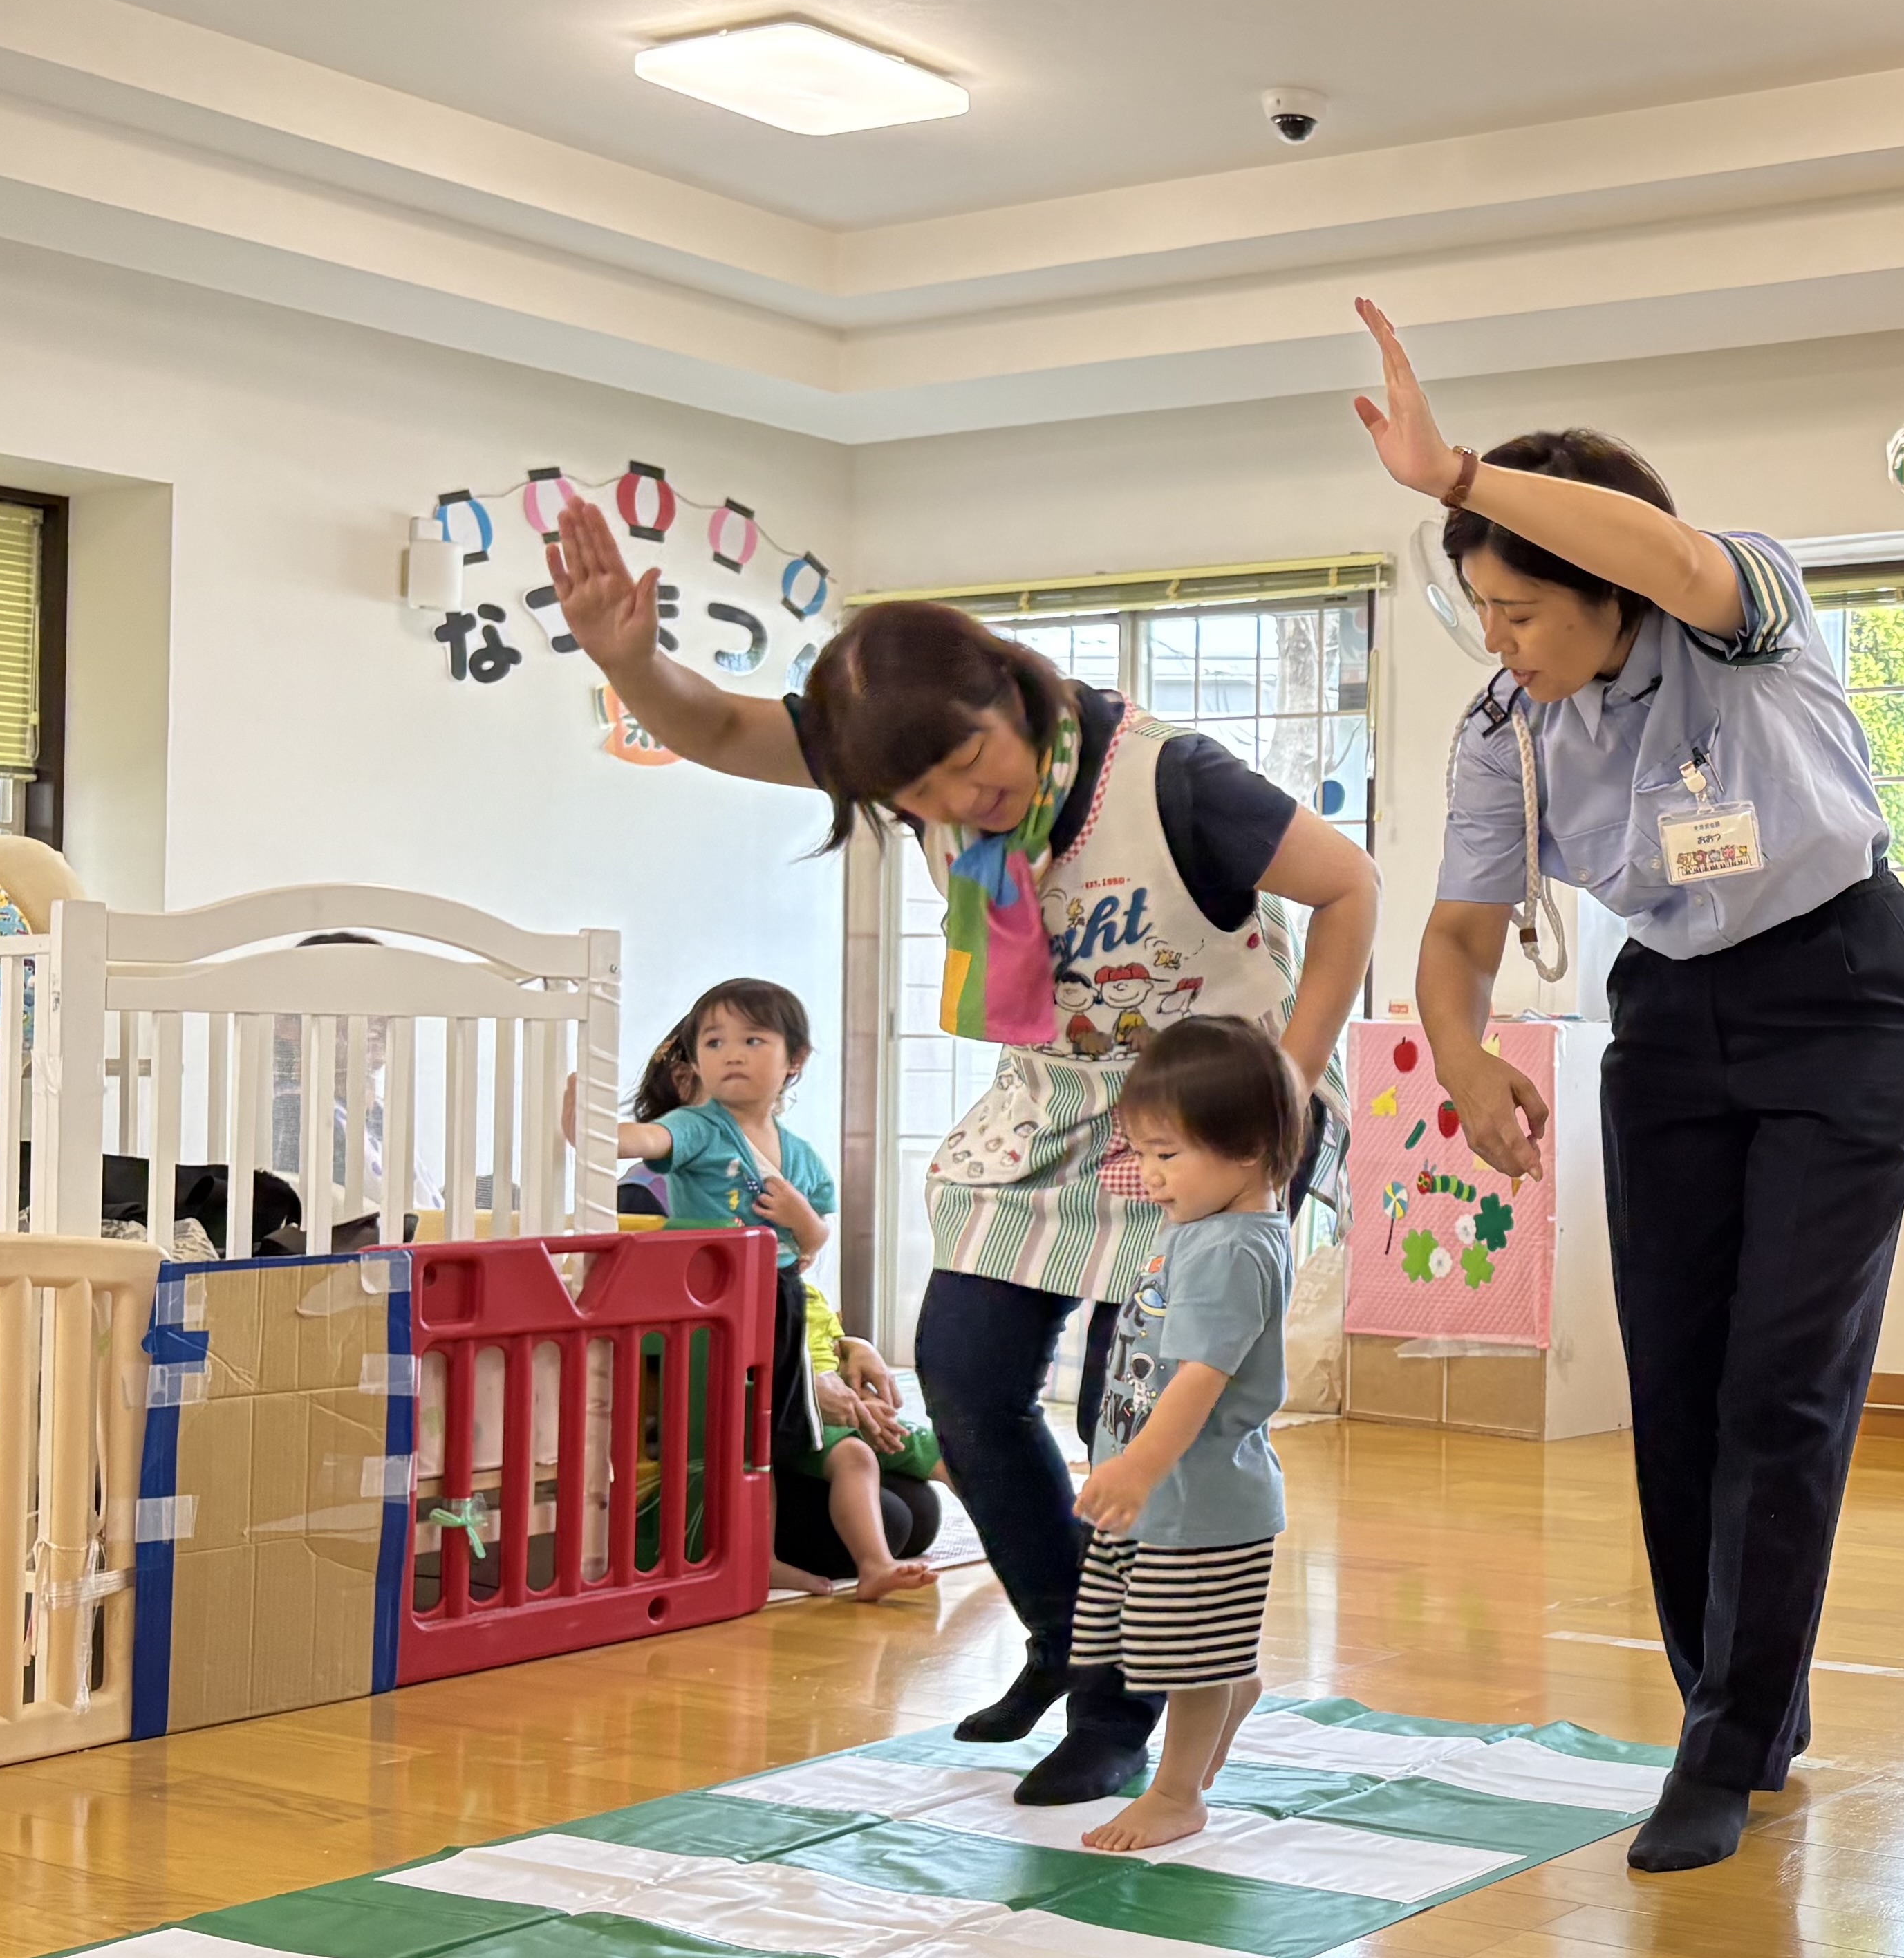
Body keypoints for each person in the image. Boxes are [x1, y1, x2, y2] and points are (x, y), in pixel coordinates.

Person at [544, 496, 1378, 1807]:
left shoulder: (1172, 778)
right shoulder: (912, 766)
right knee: (968, 1373)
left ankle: (1116, 1708)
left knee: (1133, 1410)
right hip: (1054, 1101)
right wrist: (627, 659)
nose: (954, 801)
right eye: (916, 794)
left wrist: (1290, 1078)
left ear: (1009, 685)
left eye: (968, 761)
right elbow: (717, 727)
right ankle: (1062, 1635)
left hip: (1210, 1107)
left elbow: (1347, 886)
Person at [1352, 299, 1904, 1873]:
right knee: (1676, 1384)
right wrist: (1462, 1053)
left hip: (1842, 988)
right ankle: (1734, 1709)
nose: (1500, 641)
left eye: (1523, 610)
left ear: (1605, 588)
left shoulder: (1739, 614)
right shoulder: (1506, 729)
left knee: (1782, 1381)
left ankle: (1720, 1745)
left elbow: (1677, 557)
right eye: (1481, 611)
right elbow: (1460, 932)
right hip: (1672, 1009)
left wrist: (1458, 471)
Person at [584, 979, 924, 1602]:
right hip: (719, 1304)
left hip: (780, 1299)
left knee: (774, 1439)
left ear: (795, 1060)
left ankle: (859, 1565)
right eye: (714, 1043)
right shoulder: (698, 1127)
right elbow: (645, 1139)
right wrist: (589, 1125)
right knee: (744, 1438)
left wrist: (798, 1215)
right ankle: (757, 1558)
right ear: (693, 1065)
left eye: (752, 1040)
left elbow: (814, 1240)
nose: (732, 1054)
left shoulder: (798, 1154)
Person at [1067, 1020, 1306, 1853]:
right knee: (1172, 1642)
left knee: (1186, 1663)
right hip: (1163, 1495)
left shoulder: (1231, 1250)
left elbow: (1201, 1377)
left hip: (1196, 1501)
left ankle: (1177, 1795)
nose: (1150, 1174)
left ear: (1249, 1149)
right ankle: (1233, 1688)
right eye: (1142, 1152)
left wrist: (1137, 1466)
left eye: (1167, 1154)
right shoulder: (1205, 1228)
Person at [778, 1285, 950, 1596]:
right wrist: (816, 1398)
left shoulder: (808, 1295)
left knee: (925, 1448)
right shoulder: (758, 1297)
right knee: (856, 1457)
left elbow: (829, 1355)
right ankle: (876, 1565)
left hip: (833, 1410)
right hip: (793, 1424)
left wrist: (859, 1381)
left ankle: (999, 1531)